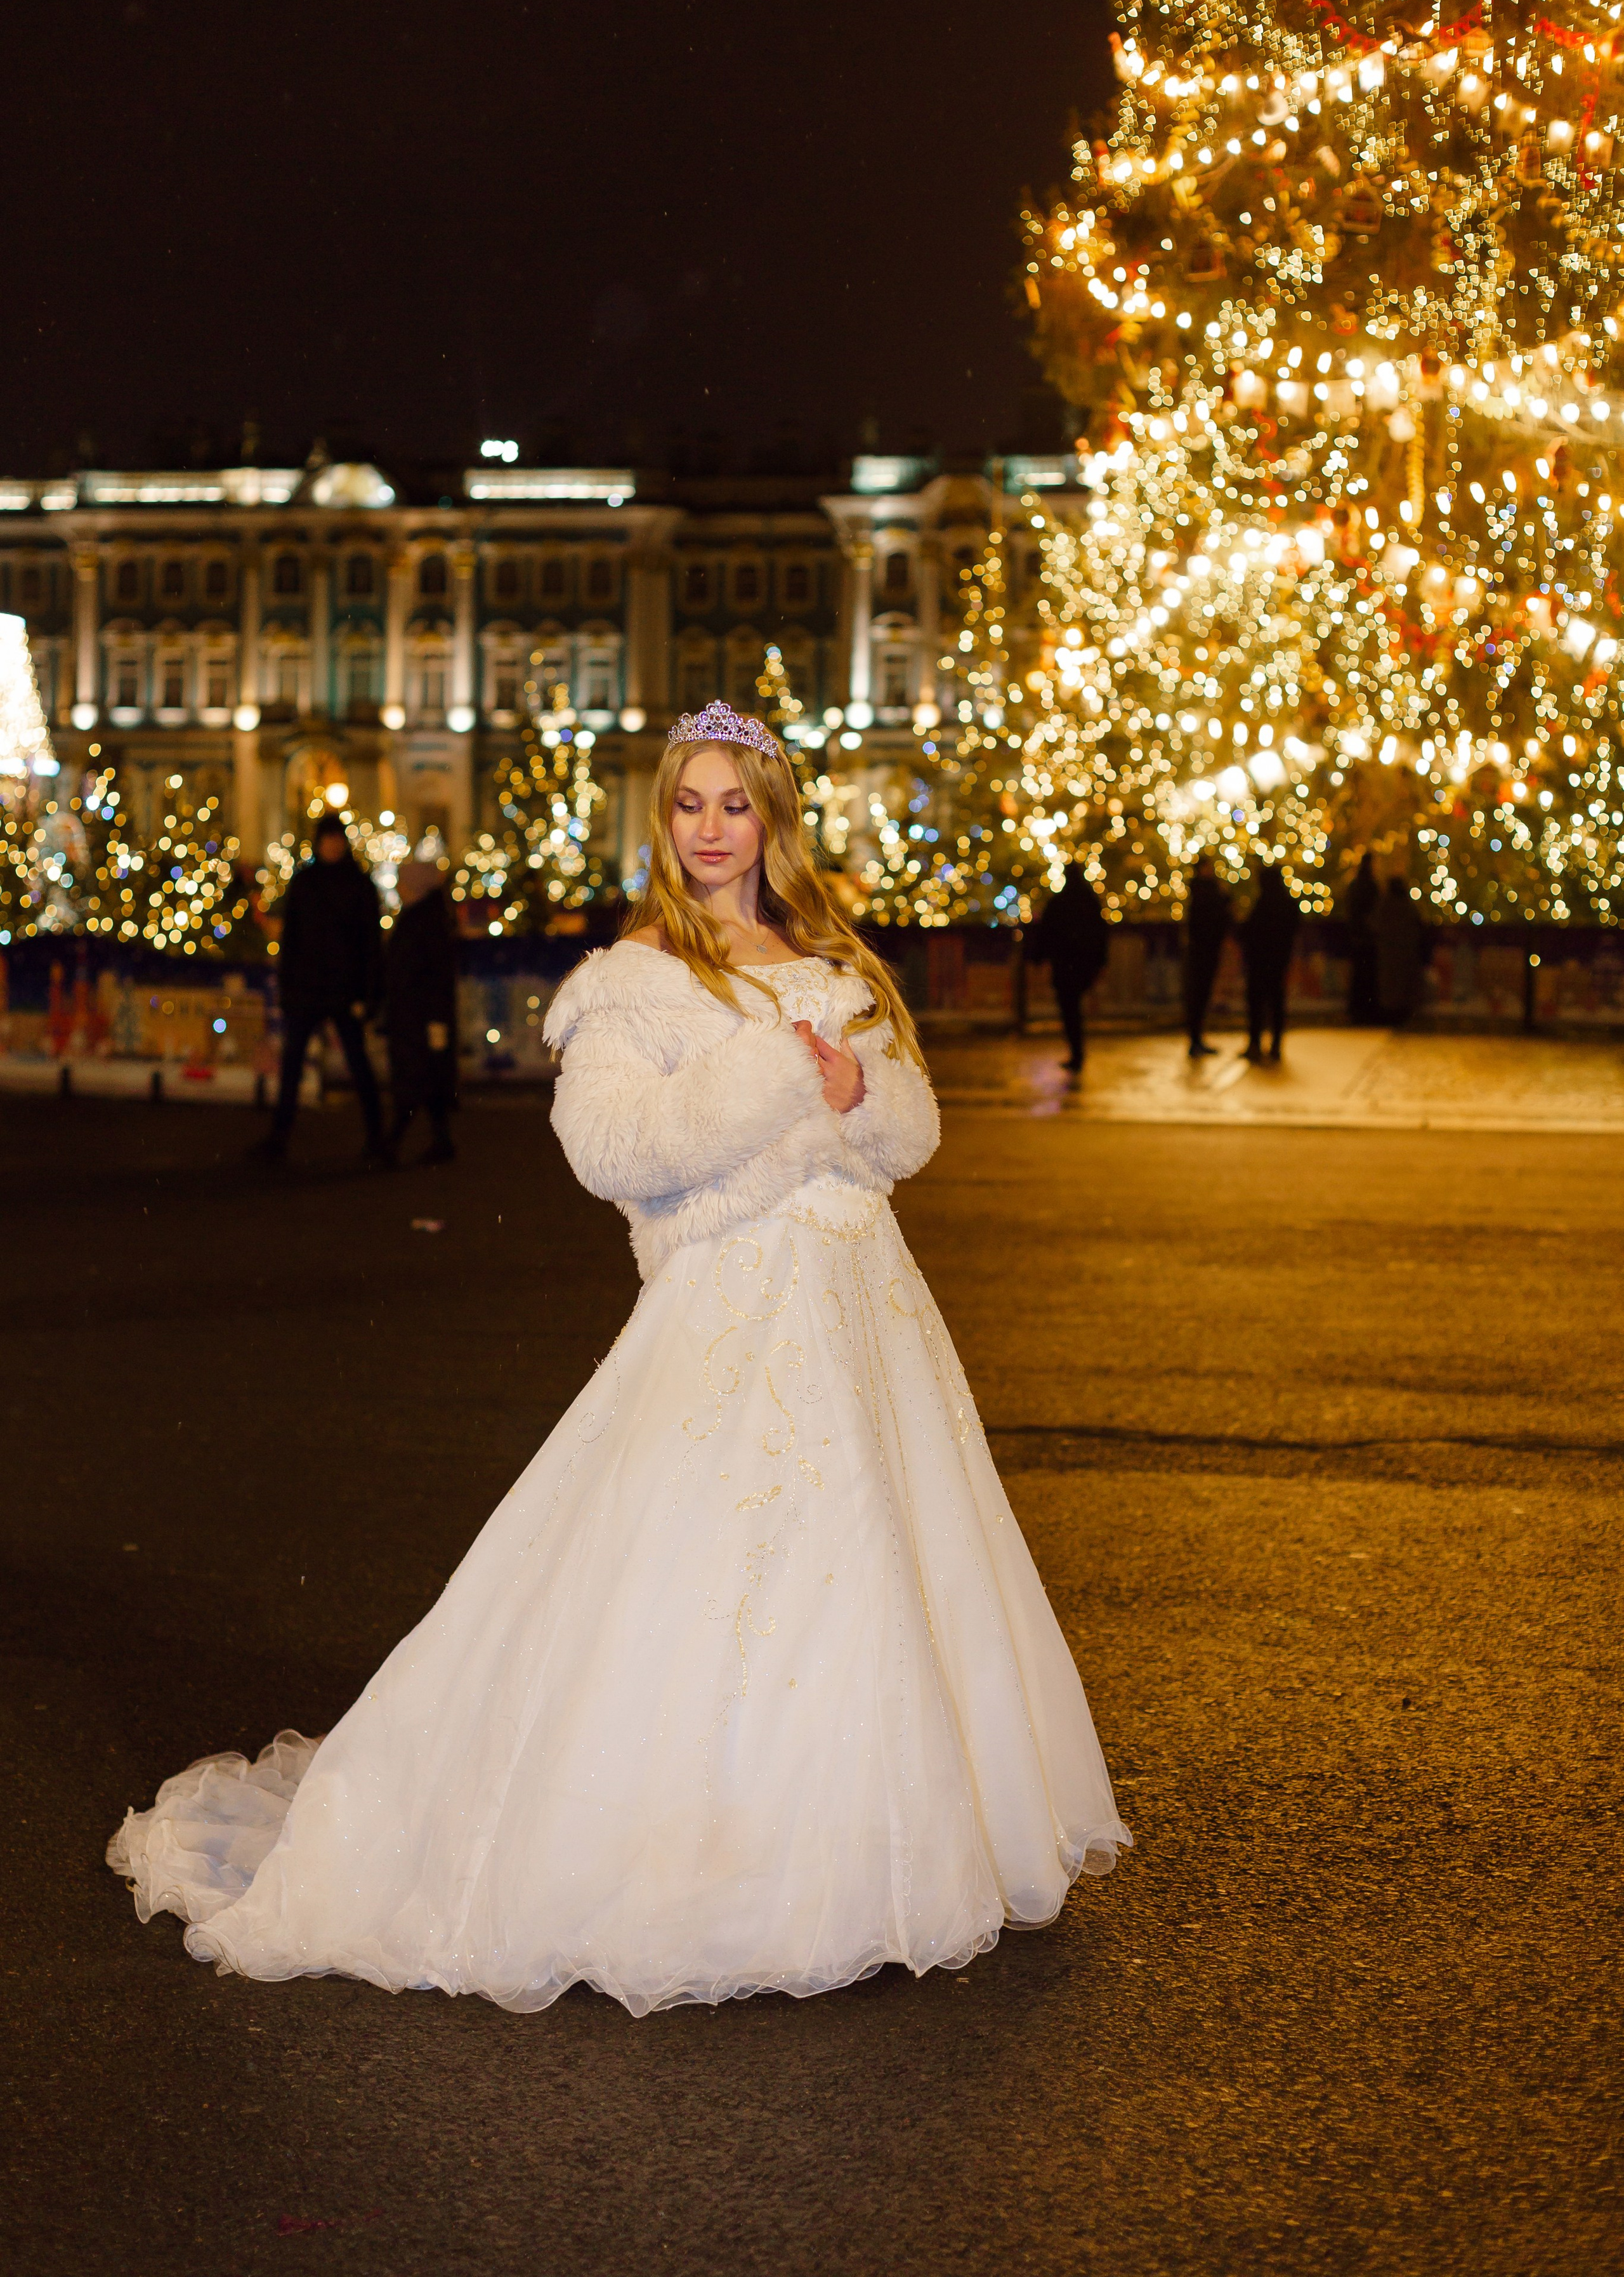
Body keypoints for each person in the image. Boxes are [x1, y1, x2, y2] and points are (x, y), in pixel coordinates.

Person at [108, 701, 1130, 2018]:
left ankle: (867, 1843)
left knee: (876, 1562)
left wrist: (856, 1094)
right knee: (706, 1577)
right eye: (689, 806)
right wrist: (774, 1076)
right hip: (730, 1308)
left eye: (734, 803)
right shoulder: (639, 978)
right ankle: (715, 1857)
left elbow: (909, 1133)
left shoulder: (831, 955)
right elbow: (611, 1151)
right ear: (665, 820)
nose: (710, 831)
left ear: (772, 814)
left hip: (863, 1308)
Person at [259, 812, 384, 1162]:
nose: (332, 846)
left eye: (337, 840)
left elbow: (370, 947)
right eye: (327, 840)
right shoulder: (305, 883)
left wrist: (367, 995)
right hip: (306, 989)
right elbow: (291, 940)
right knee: (292, 1066)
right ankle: (278, 1137)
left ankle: (376, 1136)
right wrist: (286, 987)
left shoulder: (360, 886)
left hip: (344, 992)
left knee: (359, 1065)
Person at [383, 857, 458, 1164]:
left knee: (414, 1078)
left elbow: (435, 974)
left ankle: (393, 1140)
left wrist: (437, 1020)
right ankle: (439, 1140)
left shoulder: (424, 921)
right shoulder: (425, 917)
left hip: (418, 1014)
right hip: (415, 1013)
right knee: (426, 1079)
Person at [1026, 862, 1110, 1073]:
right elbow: (1101, 933)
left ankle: (1077, 1051)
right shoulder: (1090, 902)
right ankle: (1078, 1052)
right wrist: (1100, 962)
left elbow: (1047, 933)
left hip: (1065, 966)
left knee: (1070, 1010)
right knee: (1076, 1008)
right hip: (1084, 965)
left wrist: (1037, 958)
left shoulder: (1059, 902)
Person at [1240, 865, 1301, 1063]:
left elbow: (1250, 932)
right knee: (1276, 1004)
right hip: (1279, 962)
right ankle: (1275, 1046)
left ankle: (1256, 1044)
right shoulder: (1288, 904)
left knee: (1257, 1004)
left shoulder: (1263, 904)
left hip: (1260, 963)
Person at [1182, 853, 1231, 1057]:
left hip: (1203, 950)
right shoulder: (1206, 892)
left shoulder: (1201, 891)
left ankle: (1196, 1039)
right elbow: (1212, 920)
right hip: (1204, 950)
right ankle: (1196, 1040)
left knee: (1199, 996)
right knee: (1199, 996)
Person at [1375, 874, 1425, 1023]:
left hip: (1391, 953)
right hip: (1403, 953)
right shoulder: (1406, 906)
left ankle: (1393, 1014)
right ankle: (1400, 1014)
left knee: (1392, 985)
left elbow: (1374, 924)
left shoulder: (1385, 906)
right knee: (1401, 985)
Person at [1344, 850, 1380, 1025]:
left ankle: (1359, 1010)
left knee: (1360, 976)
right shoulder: (1370, 886)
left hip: (1359, 937)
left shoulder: (1356, 885)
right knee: (1366, 976)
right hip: (1367, 938)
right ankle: (1366, 1010)